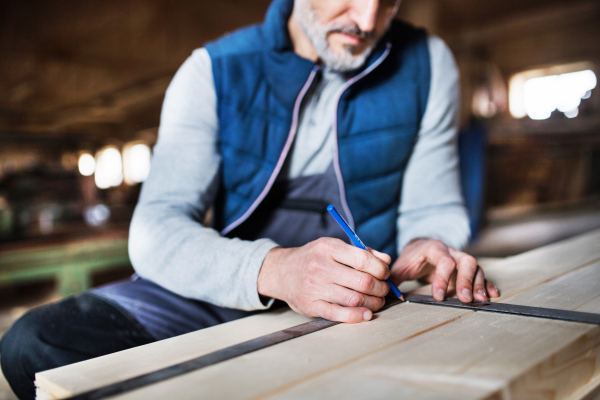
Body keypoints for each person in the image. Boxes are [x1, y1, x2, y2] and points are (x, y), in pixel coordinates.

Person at [0, 0, 499, 398]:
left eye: (389, 0)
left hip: (364, 295)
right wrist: (277, 270)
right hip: (229, 285)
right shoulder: (211, 72)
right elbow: (155, 230)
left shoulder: (428, 64)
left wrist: (428, 244)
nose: (369, 19)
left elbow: (434, 208)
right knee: (35, 345)